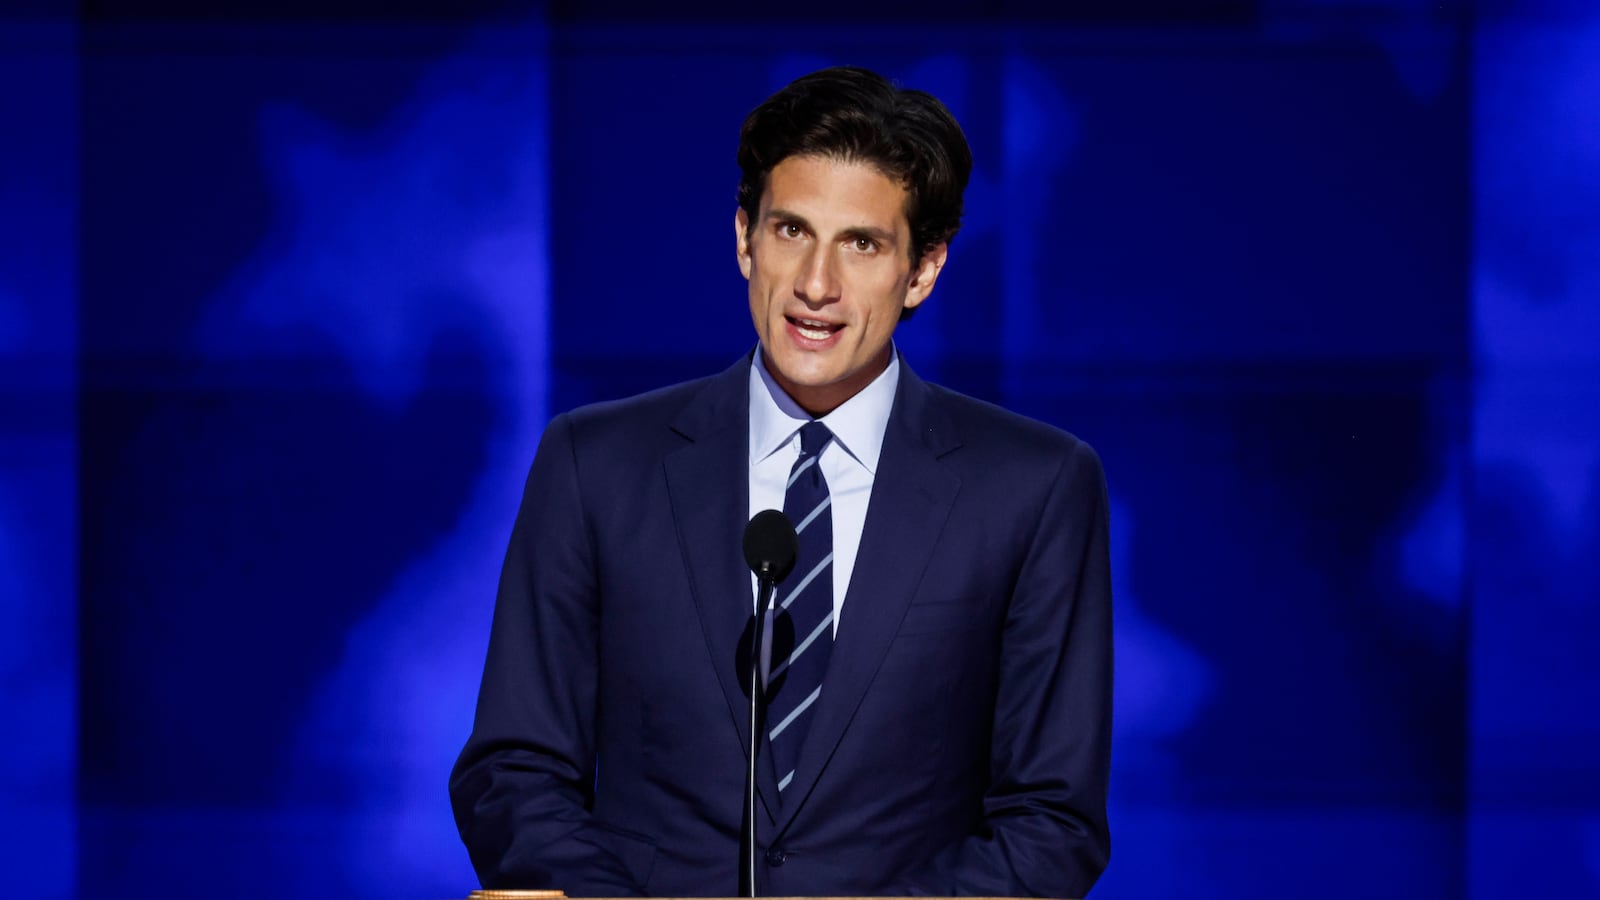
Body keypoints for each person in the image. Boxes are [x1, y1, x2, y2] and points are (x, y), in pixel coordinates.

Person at [450, 65, 1112, 898]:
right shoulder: (596, 463)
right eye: (791, 230)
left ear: (923, 270)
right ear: (743, 239)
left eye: (862, 244)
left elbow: (1052, 820)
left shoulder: (1035, 487)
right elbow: (513, 769)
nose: (816, 286)